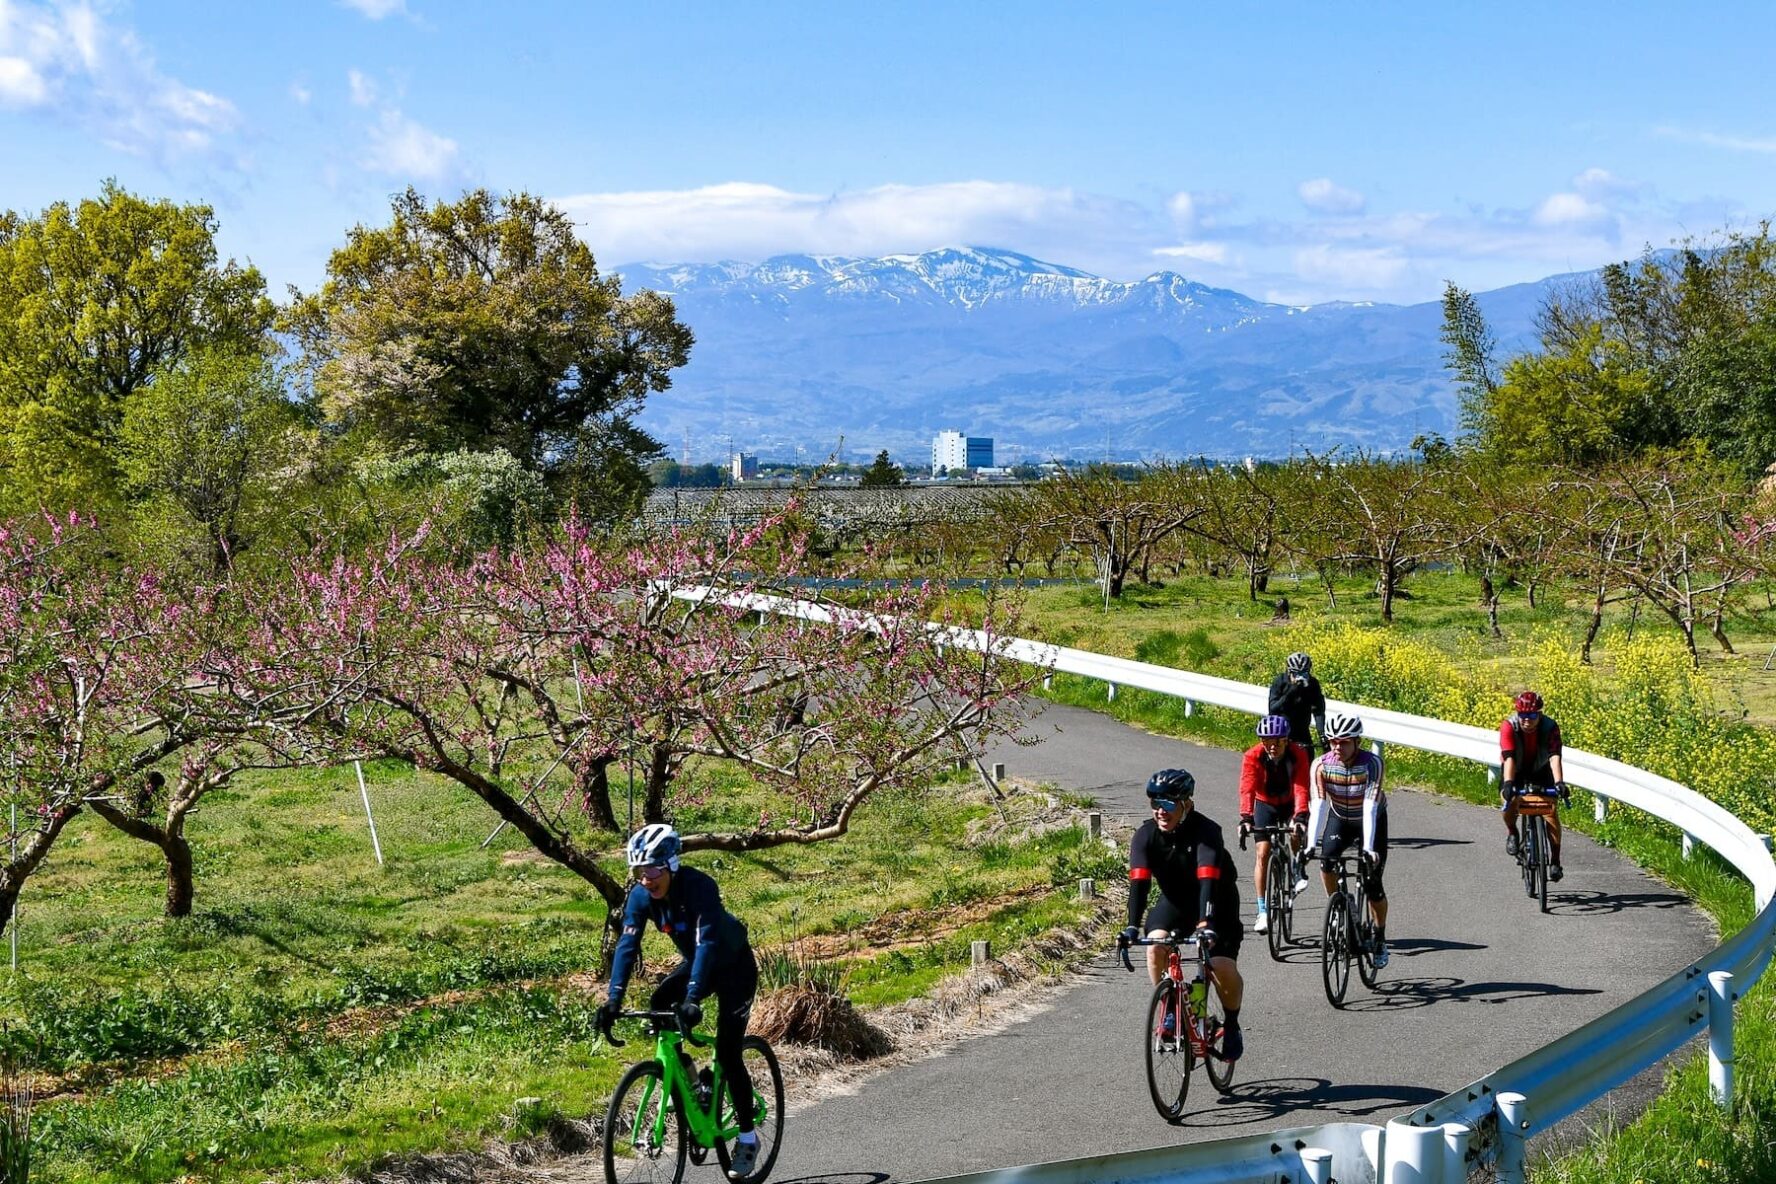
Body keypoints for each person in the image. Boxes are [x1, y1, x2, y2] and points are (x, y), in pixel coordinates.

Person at [597, 824, 763, 1180]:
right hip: (700, 964)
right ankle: (693, 1082)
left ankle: (748, 1139)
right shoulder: (641, 897)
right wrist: (613, 999)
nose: (646, 879)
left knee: (728, 1051)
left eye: (653, 869)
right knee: (659, 1001)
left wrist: (692, 997)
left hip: (734, 967)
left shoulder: (700, 887)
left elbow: (706, 947)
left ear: (672, 864)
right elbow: (627, 947)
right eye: (638, 871)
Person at [1117, 768, 1247, 1061]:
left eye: (1168, 804)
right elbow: (1138, 886)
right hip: (1175, 902)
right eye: (1155, 803)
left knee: (1220, 966)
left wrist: (1205, 923)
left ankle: (1232, 1023)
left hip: (1217, 901)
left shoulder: (1206, 832)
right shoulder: (1145, 836)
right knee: (1156, 947)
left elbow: (1207, 882)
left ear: (1187, 804)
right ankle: (1170, 1008)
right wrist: (1130, 928)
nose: (1160, 811)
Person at [1307, 711, 1390, 968]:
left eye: (1343, 742)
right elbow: (1319, 805)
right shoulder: (1321, 764)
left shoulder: (1372, 763)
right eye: (1332, 741)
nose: (1337, 747)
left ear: (1357, 741)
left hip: (1369, 819)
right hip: (1340, 818)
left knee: (1373, 883)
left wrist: (1367, 848)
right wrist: (1311, 844)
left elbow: (1370, 806)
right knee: (1326, 862)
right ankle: (1337, 905)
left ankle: (1379, 936)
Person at [1238, 714, 1311, 934]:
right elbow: (1247, 787)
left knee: (1295, 832)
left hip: (1290, 802)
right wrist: (1246, 817)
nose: (1272, 745)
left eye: (1278, 741)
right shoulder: (1253, 756)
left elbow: (1301, 786)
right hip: (1265, 803)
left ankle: (1297, 867)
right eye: (1267, 740)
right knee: (1262, 853)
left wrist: (1300, 816)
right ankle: (1262, 911)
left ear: (1286, 740)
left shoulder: (1298, 754)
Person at [1500, 690, 1571, 881]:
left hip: (1542, 770)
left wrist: (1559, 783)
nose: (1526, 721)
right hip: (1515, 768)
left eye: (1531, 716)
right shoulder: (1509, 726)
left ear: (1539, 714)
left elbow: (1555, 756)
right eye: (1522, 716)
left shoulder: (1550, 727)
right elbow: (1509, 757)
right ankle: (1513, 832)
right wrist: (1508, 784)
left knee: (1550, 813)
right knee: (1509, 801)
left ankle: (1555, 861)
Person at [1268, 651, 1328, 759]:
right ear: (1289, 672)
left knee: (1308, 761)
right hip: (1281, 731)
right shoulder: (1280, 681)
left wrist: (1322, 735)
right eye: (1296, 674)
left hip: (1302, 732)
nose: (1300, 677)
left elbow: (1318, 711)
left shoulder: (1313, 684)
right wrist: (1291, 691)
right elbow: (1273, 709)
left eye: (1304, 674)